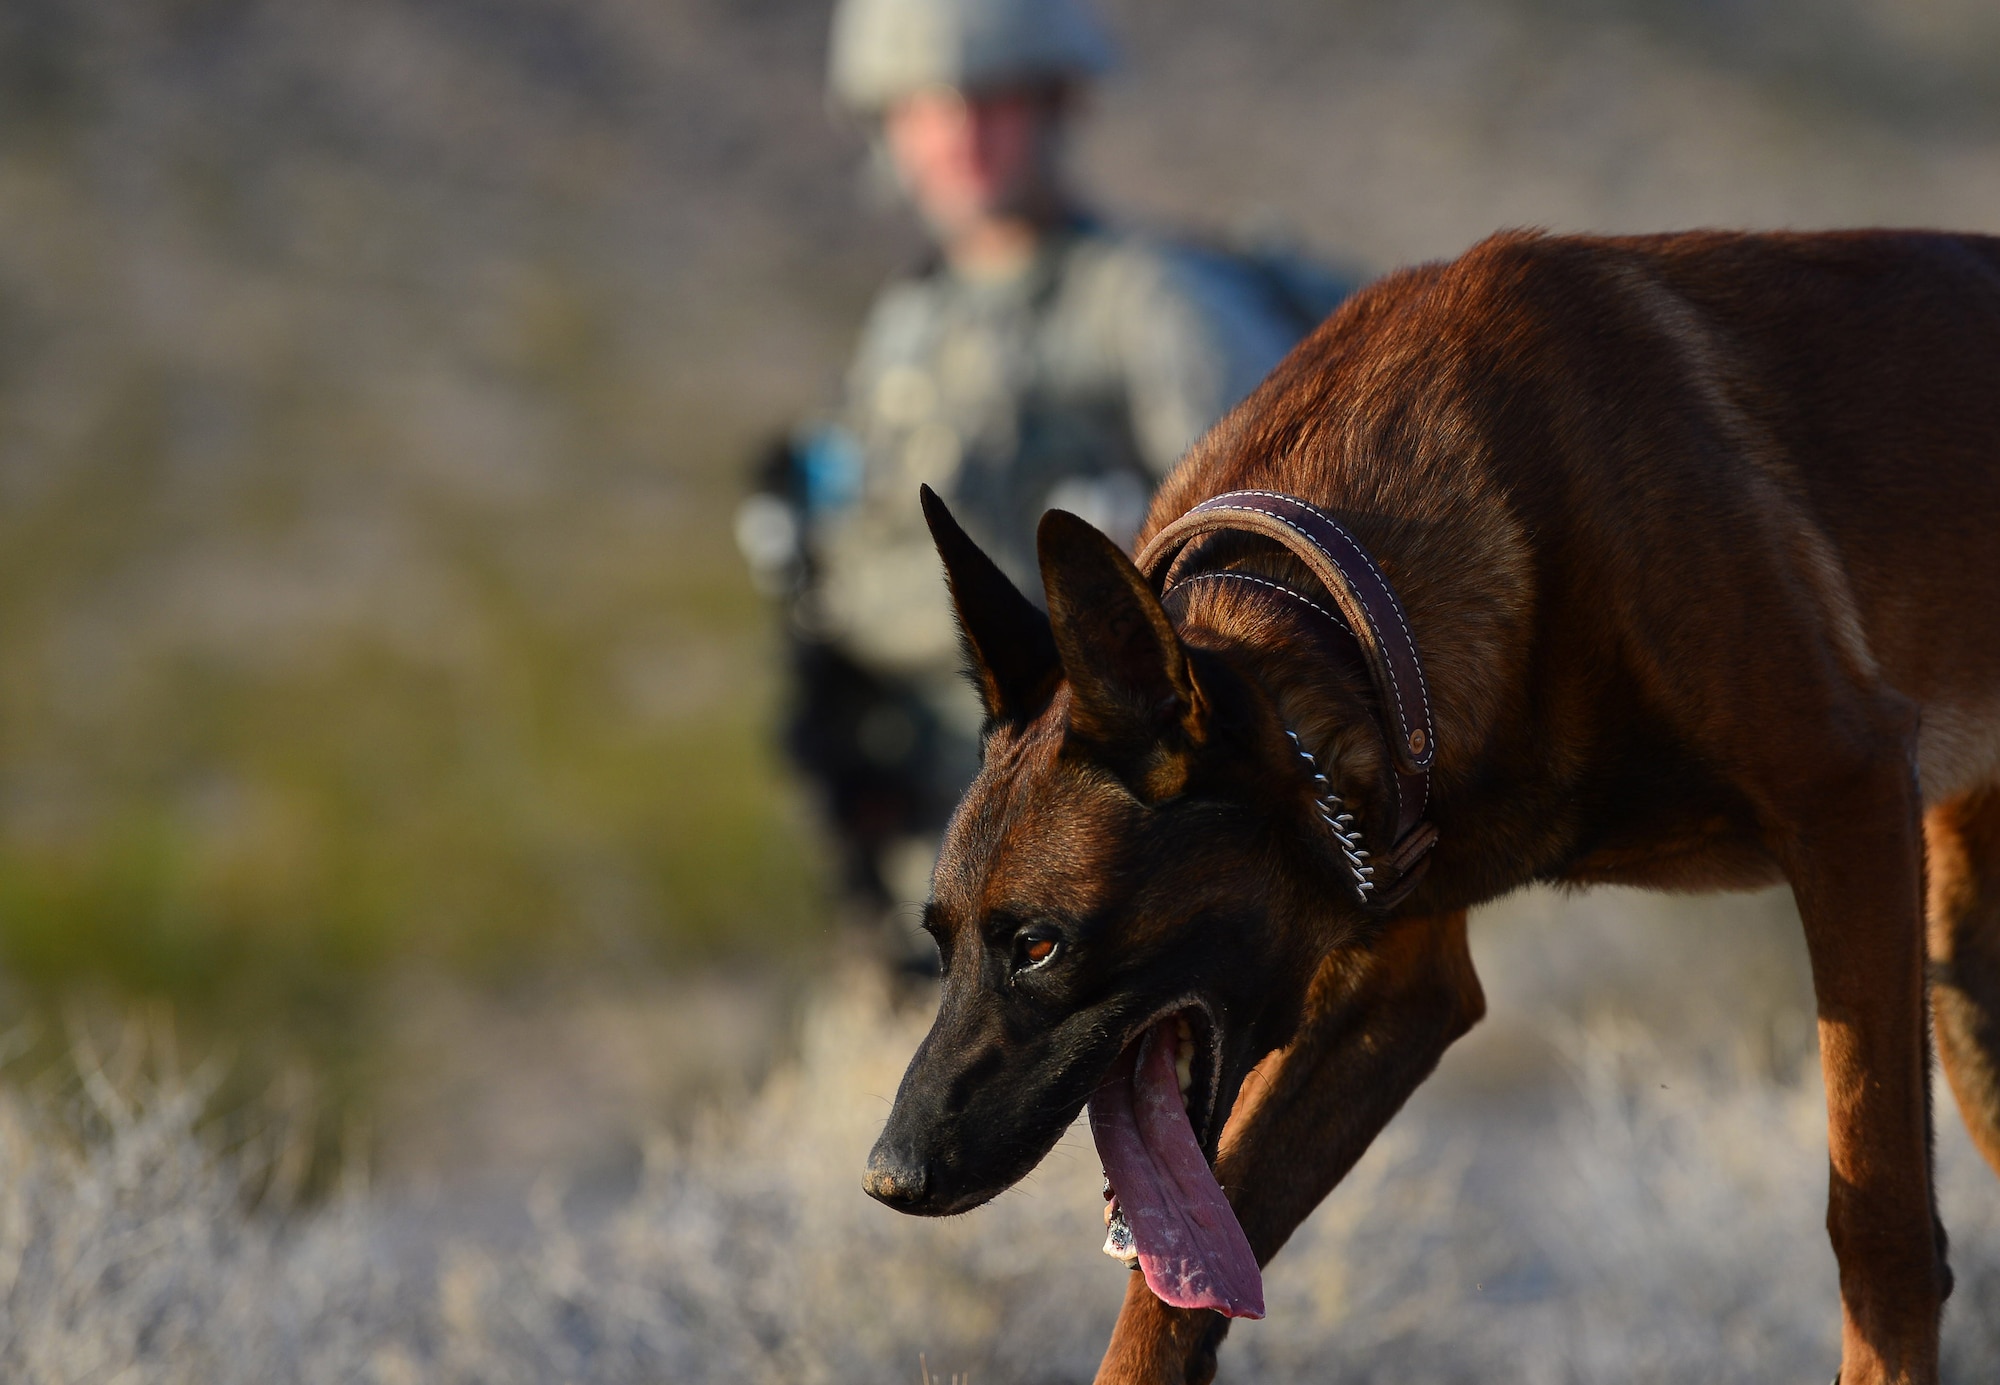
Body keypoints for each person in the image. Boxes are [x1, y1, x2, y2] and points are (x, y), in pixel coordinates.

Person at [736, 0, 1356, 963]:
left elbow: (1270, 565)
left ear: (1055, 99)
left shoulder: (1152, 304)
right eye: (928, 107)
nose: (959, 137)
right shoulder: (910, 326)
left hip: (1117, 880)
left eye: (993, 100)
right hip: (945, 849)